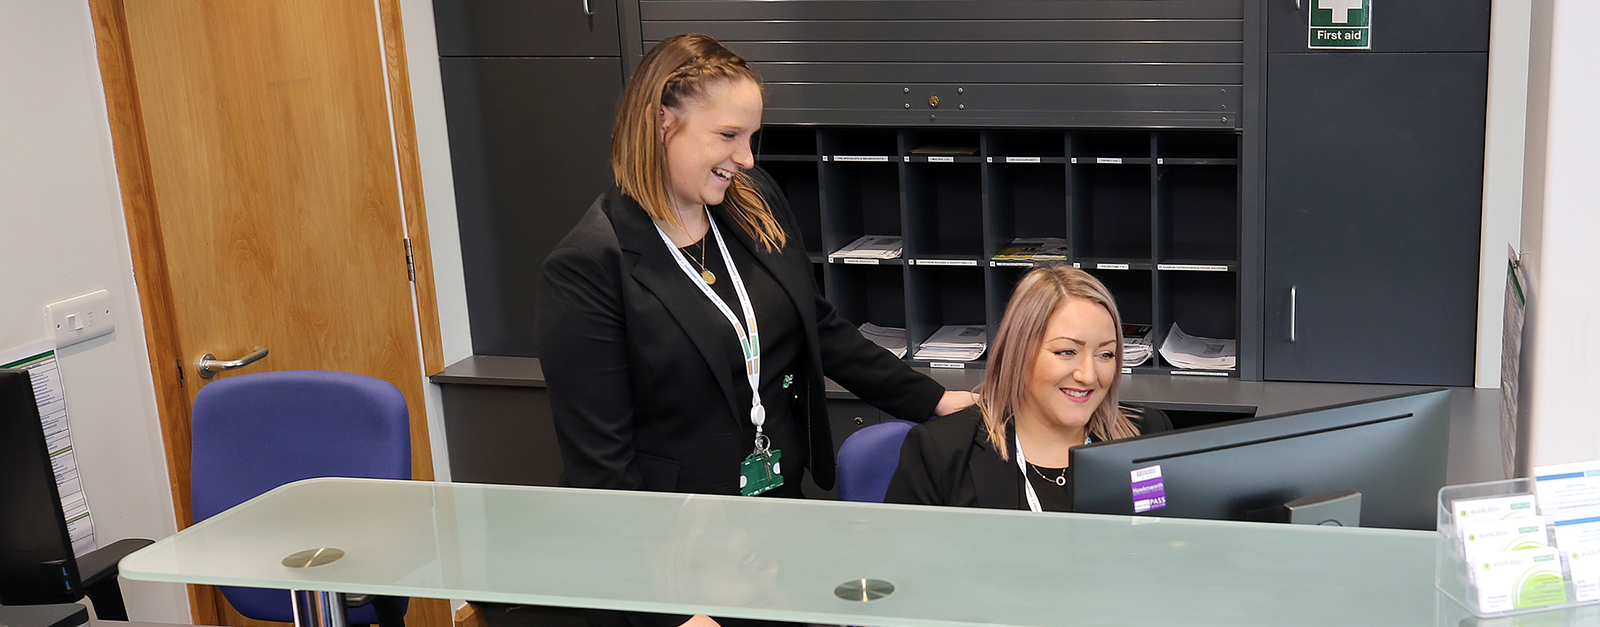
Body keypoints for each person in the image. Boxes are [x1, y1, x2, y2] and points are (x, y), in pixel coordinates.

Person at [536, 33, 975, 626]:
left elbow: (814, 324)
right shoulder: (590, 266)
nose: (745, 158)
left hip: (777, 519)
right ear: (660, 123)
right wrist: (669, 611)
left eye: (751, 138)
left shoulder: (750, 200)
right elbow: (601, 471)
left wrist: (934, 397)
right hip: (680, 558)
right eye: (727, 136)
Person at [884, 265, 1172, 512]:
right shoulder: (942, 452)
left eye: (1105, 355)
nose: (1088, 376)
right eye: (1066, 352)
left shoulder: (1146, 434)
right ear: (1019, 352)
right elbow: (901, 565)